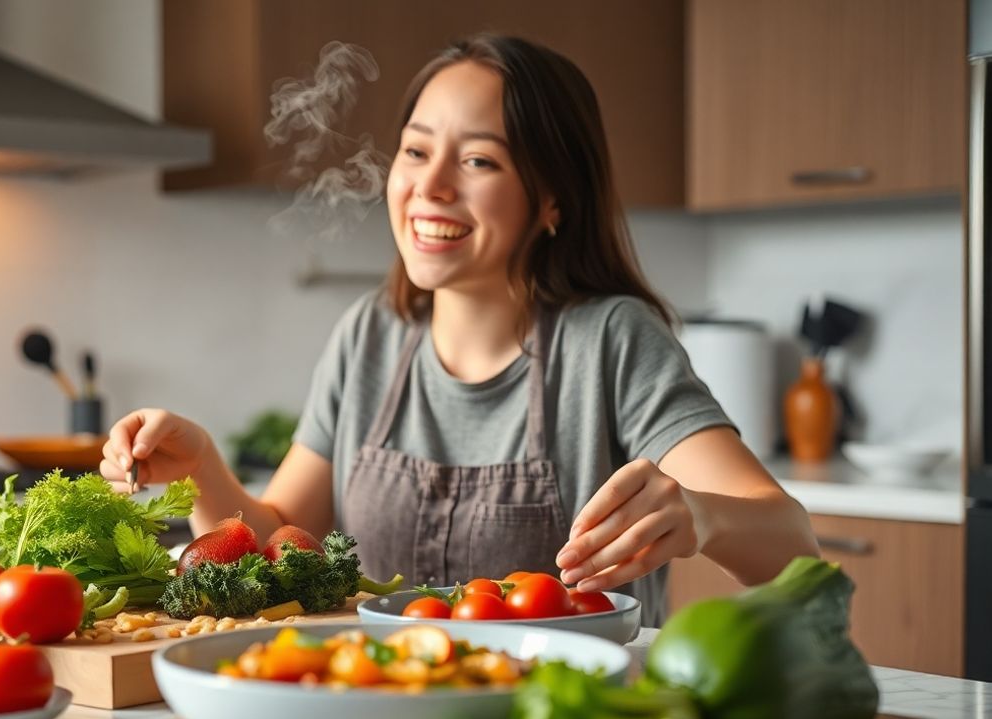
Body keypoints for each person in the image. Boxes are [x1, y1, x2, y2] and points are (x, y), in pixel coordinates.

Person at [101, 34, 819, 624]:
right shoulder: (369, 337)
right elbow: (287, 539)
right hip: (382, 708)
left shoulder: (611, 341)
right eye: (415, 151)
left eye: (478, 160)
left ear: (553, 201)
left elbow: (792, 545)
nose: (431, 184)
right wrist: (200, 471)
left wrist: (699, 514)